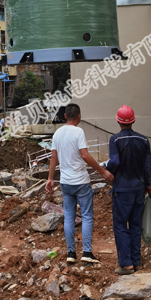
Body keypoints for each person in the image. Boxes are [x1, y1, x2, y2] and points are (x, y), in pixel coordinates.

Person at [46, 103, 114, 264]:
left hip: (65, 182)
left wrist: (50, 178)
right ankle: (87, 252)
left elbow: (53, 158)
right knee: (87, 216)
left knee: (68, 217)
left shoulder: (57, 133)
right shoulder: (78, 132)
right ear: (79, 117)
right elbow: (84, 155)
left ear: (64, 116)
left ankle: (71, 253)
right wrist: (102, 171)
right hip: (81, 182)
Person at [107, 105, 151, 275]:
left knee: (120, 225)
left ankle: (126, 264)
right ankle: (136, 261)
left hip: (122, 190)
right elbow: (148, 166)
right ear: (133, 120)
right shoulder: (143, 140)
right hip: (139, 189)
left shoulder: (115, 140)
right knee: (135, 225)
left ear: (118, 121)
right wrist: (149, 185)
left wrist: (106, 170)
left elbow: (114, 162)